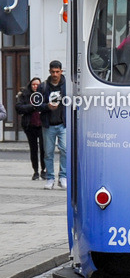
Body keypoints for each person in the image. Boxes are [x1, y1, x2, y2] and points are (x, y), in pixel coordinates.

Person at [35, 60, 67, 190]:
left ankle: (63, 176)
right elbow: (37, 105)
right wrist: (47, 107)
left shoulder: (67, 86)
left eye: (57, 72)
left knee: (65, 150)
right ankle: (50, 178)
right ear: (49, 71)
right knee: (48, 153)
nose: (55, 74)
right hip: (48, 124)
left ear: (61, 71)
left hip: (63, 123)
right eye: (53, 72)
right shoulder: (43, 86)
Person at [15, 77, 46, 180]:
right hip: (30, 126)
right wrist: (32, 107)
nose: (35, 86)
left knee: (44, 149)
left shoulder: (44, 94)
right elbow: (19, 108)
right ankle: (35, 171)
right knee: (33, 149)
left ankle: (44, 170)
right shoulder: (24, 95)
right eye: (33, 84)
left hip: (42, 126)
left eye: (37, 85)